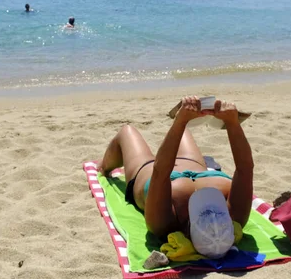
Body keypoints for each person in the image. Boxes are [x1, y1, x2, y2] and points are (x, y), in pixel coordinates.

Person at [97, 97, 253, 259]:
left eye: (202, 210)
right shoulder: (236, 215)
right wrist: (232, 123)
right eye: (217, 210)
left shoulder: (163, 224)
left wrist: (180, 121)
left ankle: (104, 167)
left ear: (186, 232)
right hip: (195, 166)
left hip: (152, 173)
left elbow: (160, 171)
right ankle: (184, 113)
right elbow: (245, 167)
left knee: (127, 132)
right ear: (229, 224)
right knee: (183, 129)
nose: (211, 207)